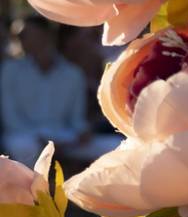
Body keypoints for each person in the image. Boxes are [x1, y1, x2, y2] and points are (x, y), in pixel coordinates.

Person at [1, 16, 120, 166]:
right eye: (19, 36)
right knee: (25, 147)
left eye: (25, 35)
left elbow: (76, 119)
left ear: (45, 35)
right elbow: (11, 119)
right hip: (25, 136)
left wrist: (82, 132)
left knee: (116, 146)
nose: (21, 40)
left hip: (64, 137)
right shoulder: (10, 70)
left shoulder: (73, 74)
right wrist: (42, 139)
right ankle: (32, 188)